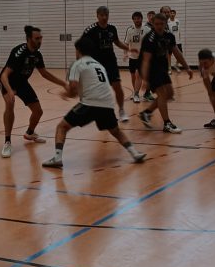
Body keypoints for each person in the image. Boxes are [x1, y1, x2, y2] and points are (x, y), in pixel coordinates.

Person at [42, 37, 146, 169]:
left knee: (62, 127)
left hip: (90, 104)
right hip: (107, 104)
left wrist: (66, 93)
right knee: (116, 131)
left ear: (78, 50)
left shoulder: (78, 64)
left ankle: (57, 157)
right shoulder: (99, 65)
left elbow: (73, 90)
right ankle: (134, 153)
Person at [0, 25, 69, 157]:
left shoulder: (37, 55)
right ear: (28, 38)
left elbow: (44, 74)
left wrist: (63, 83)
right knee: (10, 104)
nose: (39, 41)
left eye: (41, 38)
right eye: (37, 38)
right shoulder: (19, 52)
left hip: (21, 83)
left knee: (38, 111)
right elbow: (4, 75)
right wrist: (10, 91)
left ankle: (30, 133)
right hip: (8, 82)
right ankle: (7, 142)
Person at [138, 12, 193, 133]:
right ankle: (167, 124)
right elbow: (146, 61)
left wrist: (187, 67)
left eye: (161, 24)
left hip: (161, 67)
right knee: (162, 94)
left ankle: (146, 113)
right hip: (150, 69)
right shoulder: (149, 39)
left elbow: (177, 52)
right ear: (153, 23)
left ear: (165, 24)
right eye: (156, 24)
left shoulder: (169, 36)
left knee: (169, 94)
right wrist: (145, 80)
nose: (159, 26)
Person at [81, 6, 128, 120]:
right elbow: (81, 46)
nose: (104, 17)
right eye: (102, 15)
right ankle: (103, 112)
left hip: (110, 61)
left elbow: (116, 42)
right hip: (96, 64)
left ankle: (121, 110)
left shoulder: (112, 28)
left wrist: (128, 48)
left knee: (117, 86)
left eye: (106, 15)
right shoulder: (90, 30)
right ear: (97, 16)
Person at [122, 11, 145, 104]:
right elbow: (126, 43)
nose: (137, 20)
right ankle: (135, 91)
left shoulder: (146, 29)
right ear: (133, 20)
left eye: (138, 18)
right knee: (133, 76)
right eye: (135, 18)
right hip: (132, 57)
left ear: (141, 19)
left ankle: (136, 94)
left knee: (138, 75)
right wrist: (125, 53)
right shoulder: (130, 30)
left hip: (142, 57)